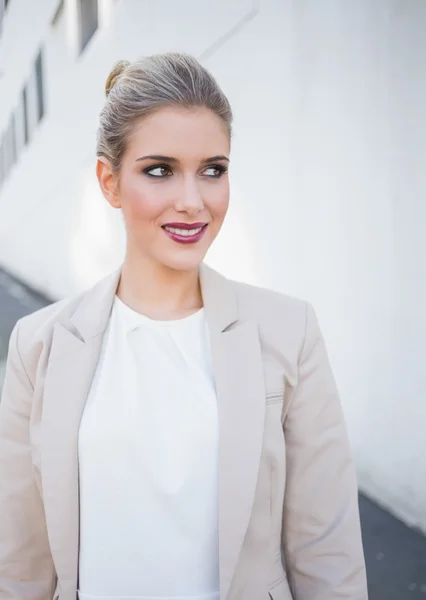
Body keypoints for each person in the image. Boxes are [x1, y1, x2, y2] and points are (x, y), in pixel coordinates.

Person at [0, 53, 368, 600]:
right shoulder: (39, 344)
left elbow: (327, 550)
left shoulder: (290, 332)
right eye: (159, 170)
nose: (194, 202)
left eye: (213, 170)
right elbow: (22, 559)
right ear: (109, 181)